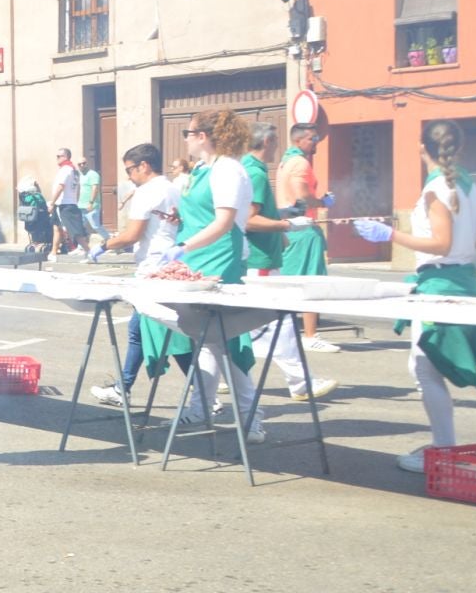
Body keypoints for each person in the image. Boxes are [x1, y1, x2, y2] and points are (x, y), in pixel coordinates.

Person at [353, 119, 476, 472]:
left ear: (421, 148)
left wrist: (390, 235)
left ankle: (443, 451)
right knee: (428, 367)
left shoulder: (436, 189)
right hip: (461, 279)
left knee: (424, 369)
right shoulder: (469, 185)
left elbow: (441, 244)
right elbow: (473, 241)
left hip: (440, 285)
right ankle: (443, 446)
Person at [139, 110, 263, 441]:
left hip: (221, 257)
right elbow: (203, 215)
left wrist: (183, 246)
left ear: (203, 136)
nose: (186, 140)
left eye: (188, 133)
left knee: (226, 340)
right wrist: (180, 221)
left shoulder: (229, 170)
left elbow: (223, 222)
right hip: (198, 256)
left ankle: (252, 417)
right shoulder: (202, 169)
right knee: (204, 340)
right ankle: (201, 408)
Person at [240, 122, 333, 401]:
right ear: (267, 142)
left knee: (244, 325)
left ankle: (224, 377)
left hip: (257, 258)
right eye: (275, 141)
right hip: (261, 260)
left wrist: (283, 217)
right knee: (280, 323)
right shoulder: (256, 174)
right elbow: (249, 220)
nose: (278, 146)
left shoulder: (249, 169)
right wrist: (287, 225)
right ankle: (301, 383)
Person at [89, 143, 180, 408]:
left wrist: (103, 245)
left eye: (130, 170)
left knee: (163, 333)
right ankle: (122, 387)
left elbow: (132, 235)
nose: (129, 176)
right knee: (144, 330)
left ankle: (204, 395)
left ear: (144, 166)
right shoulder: (173, 188)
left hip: (152, 269)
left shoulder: (146, 192)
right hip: (170, 264)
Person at [277, 124, 336, 351]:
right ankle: (310, 336)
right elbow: (301, 195)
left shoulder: (285, 161)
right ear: (298, 140)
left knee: (287, 282)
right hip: (303, 229)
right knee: (312, 282)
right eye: (312, 138)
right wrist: (323, 201)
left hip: (289, 226)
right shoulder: (300, 163)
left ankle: (285, 335)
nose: (316, 142)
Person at [51, 148, 86, 259]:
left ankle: (87, 251)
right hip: (68, 202)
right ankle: (53, 253)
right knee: (57, 228)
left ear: (66, 157)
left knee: (74, 230)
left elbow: (61, 186)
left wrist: (52, 203)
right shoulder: (74, 171)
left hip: (63, 204)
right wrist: (75, 200)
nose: (57, 158)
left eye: (59, 156)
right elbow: (78, 188)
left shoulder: (65, 170)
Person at [16, 179, 54, 254]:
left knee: (35, 229)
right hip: (41, 219)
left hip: (30, 221)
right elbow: (43, 207)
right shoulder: (37, 196)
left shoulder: (23, 196)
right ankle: (43, 242)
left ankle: (35, 242)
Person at [78, 155, 103, 238]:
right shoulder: (80, 175)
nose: (82, 165)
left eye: (84, 163)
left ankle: (108, 240)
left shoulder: (93, 174)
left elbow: (95, 188)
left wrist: (91, 203)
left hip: (92, 205)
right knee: (80, 226)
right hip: (81, 205)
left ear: (87, 163)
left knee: (96, 226)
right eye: (79, 164)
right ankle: (81, 244)